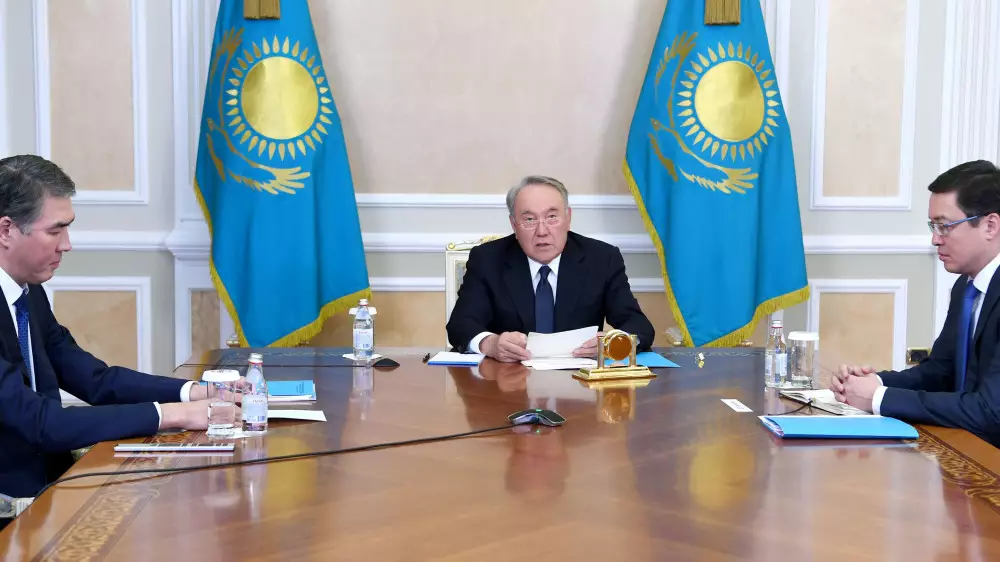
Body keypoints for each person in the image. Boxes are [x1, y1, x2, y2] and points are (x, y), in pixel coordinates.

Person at [0, 155, 223, 500]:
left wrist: (195, 393)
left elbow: (96, 380)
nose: (67, 244)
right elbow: (40, 423)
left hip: (51, 488)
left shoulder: (29, 292)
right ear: (6, 230)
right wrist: (172, 415)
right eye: (55, 231)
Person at [831, 160, 1000, 446]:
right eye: (933, 226)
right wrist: (873, 383)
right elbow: (940, 372)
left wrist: (878, 398)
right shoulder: (966, 287)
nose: (935, 239)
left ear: (990, 225)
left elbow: (990, 411)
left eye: (944, 227)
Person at [446, 175, 655, 362]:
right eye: (529, 219)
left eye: (552, 217)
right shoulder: (488, 259)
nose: (542, 231)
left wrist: (613, 343)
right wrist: (490, 343)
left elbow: (639, 325)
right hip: (508, 380)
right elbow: (460, 324)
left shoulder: (602, 259)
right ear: (514, 224)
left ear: (568, 218)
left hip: (579, 384)